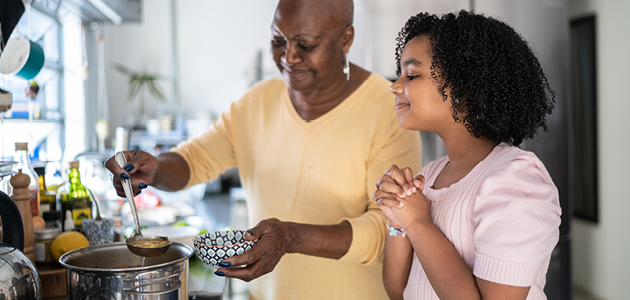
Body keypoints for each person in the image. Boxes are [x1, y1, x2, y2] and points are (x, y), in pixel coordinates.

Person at [105, 0, 422, 299]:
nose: (288, 57)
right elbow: (196, 158)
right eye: (278, 41)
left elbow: (390, 228)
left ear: (346, 39)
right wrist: (156, 169)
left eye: (306, 45)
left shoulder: (389, 110)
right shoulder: (256, 103)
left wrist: (291, 237)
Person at [372, 11, 562, 300]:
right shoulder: (432, 173)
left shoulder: (516, 180)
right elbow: (397, 290)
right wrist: (399, 220)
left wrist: (417, 222)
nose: (395, 86)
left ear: (464, 88)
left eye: (411, 74)